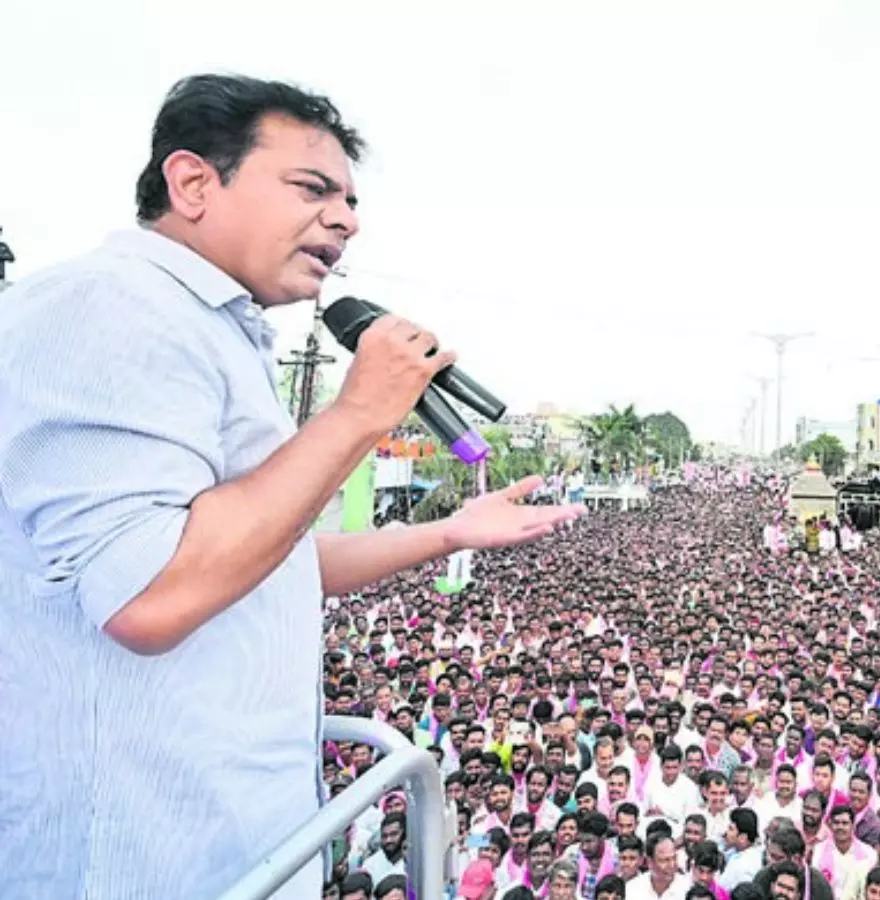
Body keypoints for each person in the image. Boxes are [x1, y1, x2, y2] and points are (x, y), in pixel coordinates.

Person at [0, 73, 586, 899]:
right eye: (312, 189)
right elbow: (150, 594)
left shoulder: (212, 331)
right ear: (195, 181)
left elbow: (261, 557)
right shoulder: (106, 307)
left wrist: (449, 533)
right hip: (133, 860)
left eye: (349, 200)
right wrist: (355, 416)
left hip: (236, 851)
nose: (345, 219)